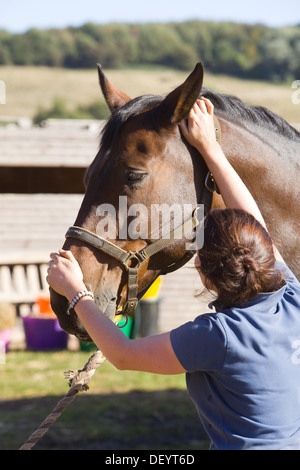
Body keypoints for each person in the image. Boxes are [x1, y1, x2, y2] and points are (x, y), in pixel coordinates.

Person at [47, 98, 300, 450]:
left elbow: (123, 354)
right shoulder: (292, 296)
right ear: (264, 254)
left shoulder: (217, 336)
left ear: (202, 271)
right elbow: (253, 220)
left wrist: (77, 293)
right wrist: (210, 148)